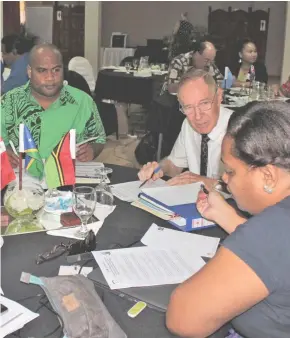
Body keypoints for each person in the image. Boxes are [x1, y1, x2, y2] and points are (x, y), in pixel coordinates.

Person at [166, 101, 290, 338]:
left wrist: (248, 235)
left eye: (231, 171)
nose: (224, 177)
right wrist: (231, 218)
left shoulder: (270, 231)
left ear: (268, 176)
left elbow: (183, 318)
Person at [1, 43, 106, 168]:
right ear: (29, 71)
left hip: (70, 178)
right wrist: (3, 153)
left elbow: (99, 139)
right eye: (42, 70)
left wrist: (92, 150)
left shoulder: (83, 101)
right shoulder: (8, 102)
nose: (50, 77)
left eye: (56, 70)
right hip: (23, 180)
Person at [138, 69, 232, 187]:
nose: (197, 116)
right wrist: (158, 169)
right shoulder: (188, 125)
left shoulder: (239, 129)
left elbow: (251, 192)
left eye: (204, 103)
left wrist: (203, 181)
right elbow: (175, 165)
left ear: (219, 97)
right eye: (188, 107)